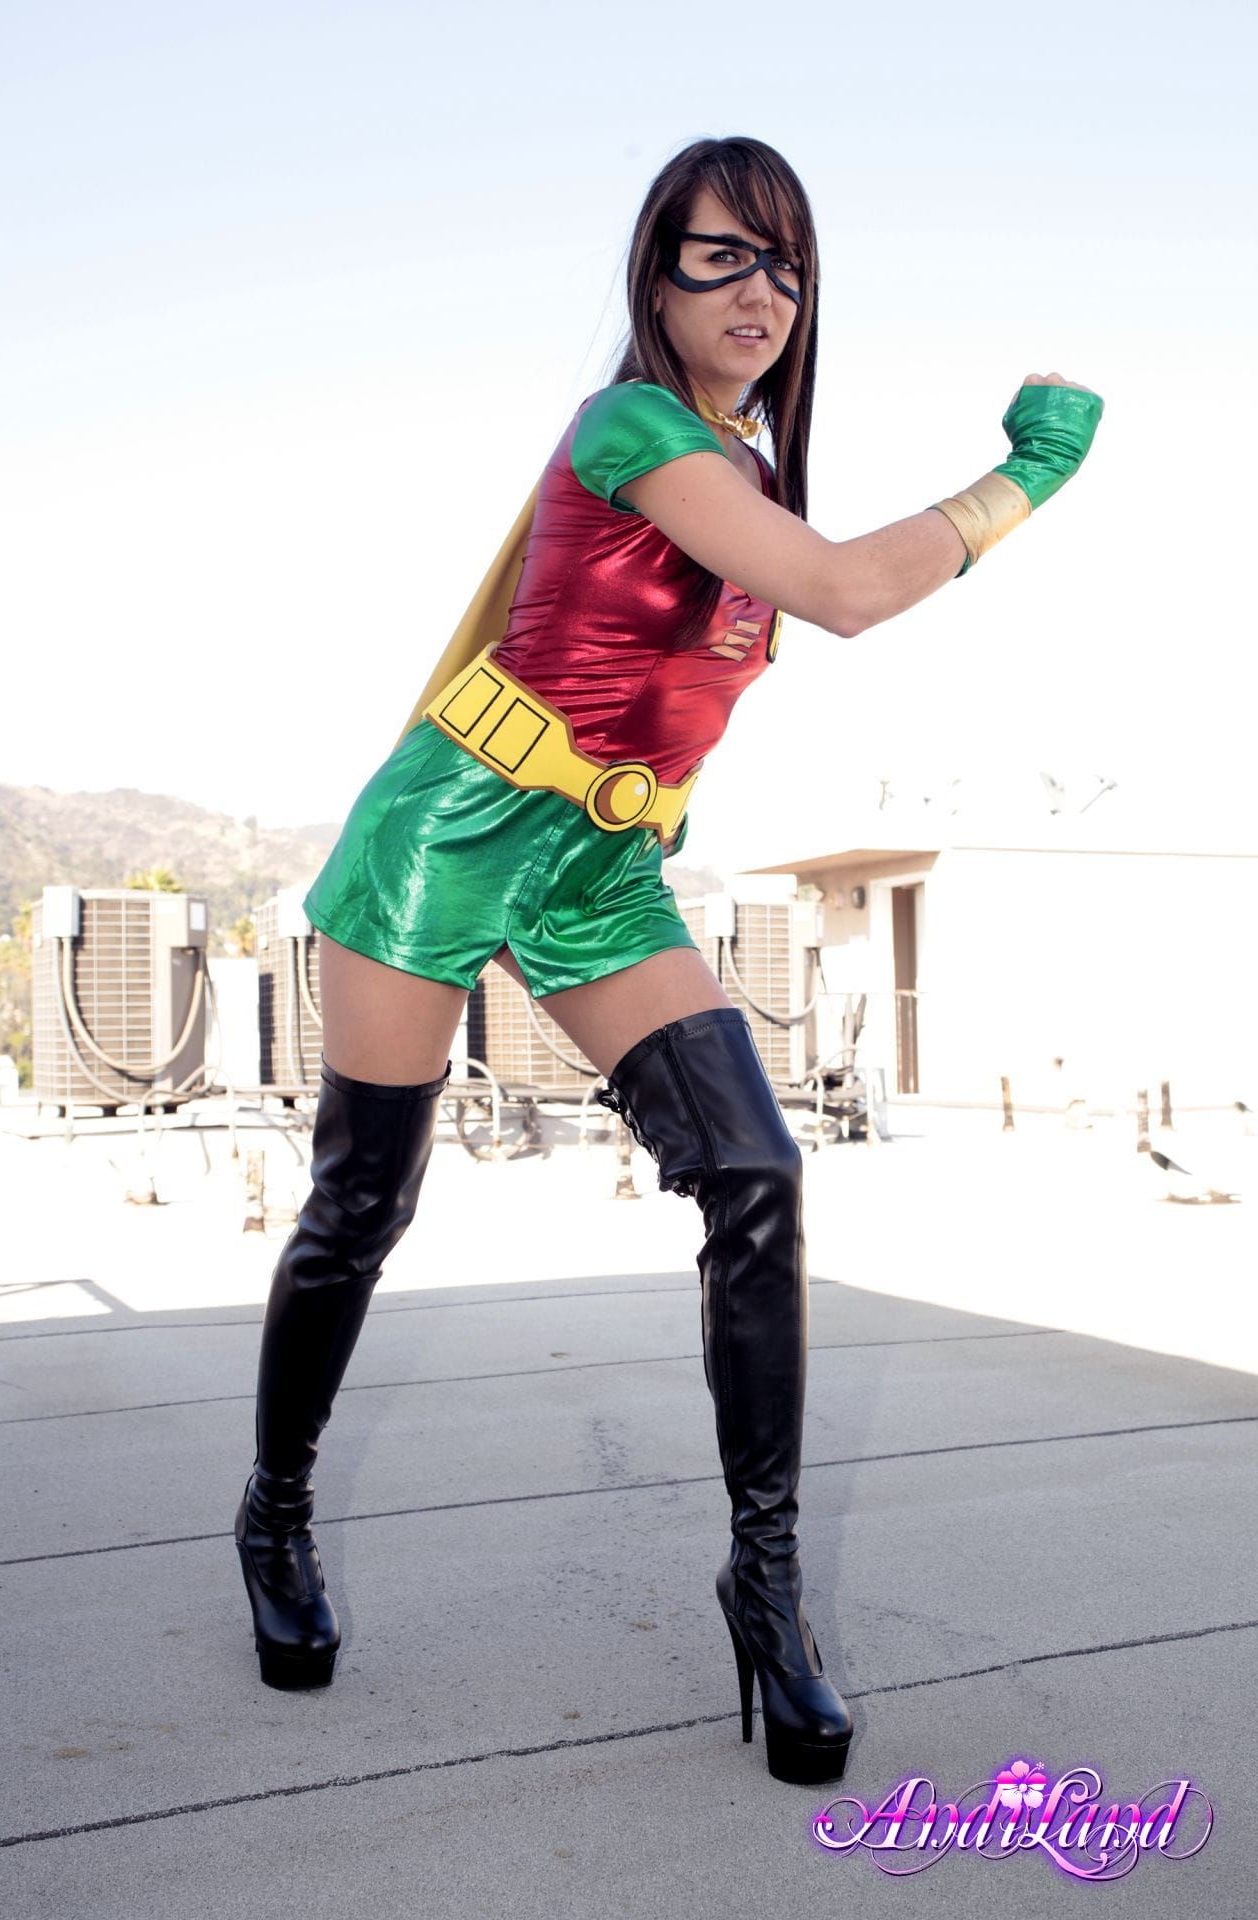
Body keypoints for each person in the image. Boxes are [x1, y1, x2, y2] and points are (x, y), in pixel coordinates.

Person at [234, 134, 1103, 1786]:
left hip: (602, 871)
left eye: (786, 263)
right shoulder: (633, 428)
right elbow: (847, 593)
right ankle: (274, 1512)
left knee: (757, 1171)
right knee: (364, 1206)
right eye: (722, 256)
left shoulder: (749, 476)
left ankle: (763, 1592)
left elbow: (768, 605)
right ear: (657, 276)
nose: (759, 291)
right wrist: (1033, 471)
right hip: (451, 829)